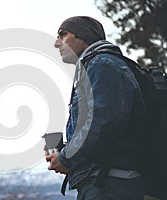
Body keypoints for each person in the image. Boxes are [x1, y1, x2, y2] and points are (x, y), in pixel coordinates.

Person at [45, 16, 145, 200]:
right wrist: (68, 150)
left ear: (83, 37)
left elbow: (102, 123)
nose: (56, 43)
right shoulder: (95, 66)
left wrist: (66, 157)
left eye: (63, 35)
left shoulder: (103, 64)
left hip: (109, 184)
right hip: (103, 182)